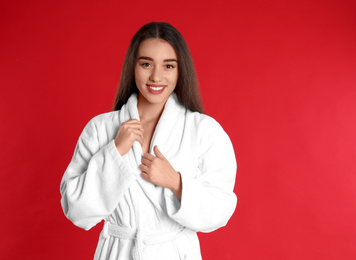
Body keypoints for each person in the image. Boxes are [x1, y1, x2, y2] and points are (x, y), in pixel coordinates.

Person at [60, 21, 237, 260]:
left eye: (168, 66)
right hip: (117, 252)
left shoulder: (204, 131)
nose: (156, 76)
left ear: (180, 70)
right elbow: (76, 210)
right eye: (146, 64)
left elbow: (220, 210)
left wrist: (176, 182)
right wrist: (114, 152)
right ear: (133, 68)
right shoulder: (100, 129)